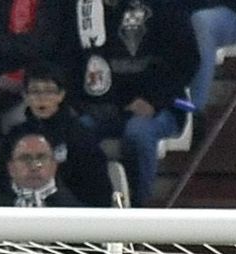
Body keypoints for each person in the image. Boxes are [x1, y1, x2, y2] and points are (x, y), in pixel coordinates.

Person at [70, 0, 198, 207]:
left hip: (159, 106)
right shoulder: (82, 8)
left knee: (138, 132)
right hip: (99, 108)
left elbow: (187, 61)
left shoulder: (163, 7)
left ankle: (139, 212)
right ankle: (91, 209)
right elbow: (70, 62)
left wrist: (154, 101)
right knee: (76, 131)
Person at [8, 62, 114, 209]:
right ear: (25, 96)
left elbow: (97, 187)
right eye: (35, 91)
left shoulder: (79, 135)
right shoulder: (15, 136)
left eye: (49, 91)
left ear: (61, 95)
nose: (42, 98)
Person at [0, 131, 85, 207]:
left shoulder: (77, 211)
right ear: (11, 168)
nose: (34, 166)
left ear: (54, 166)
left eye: (42, 158)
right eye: (25, 158)